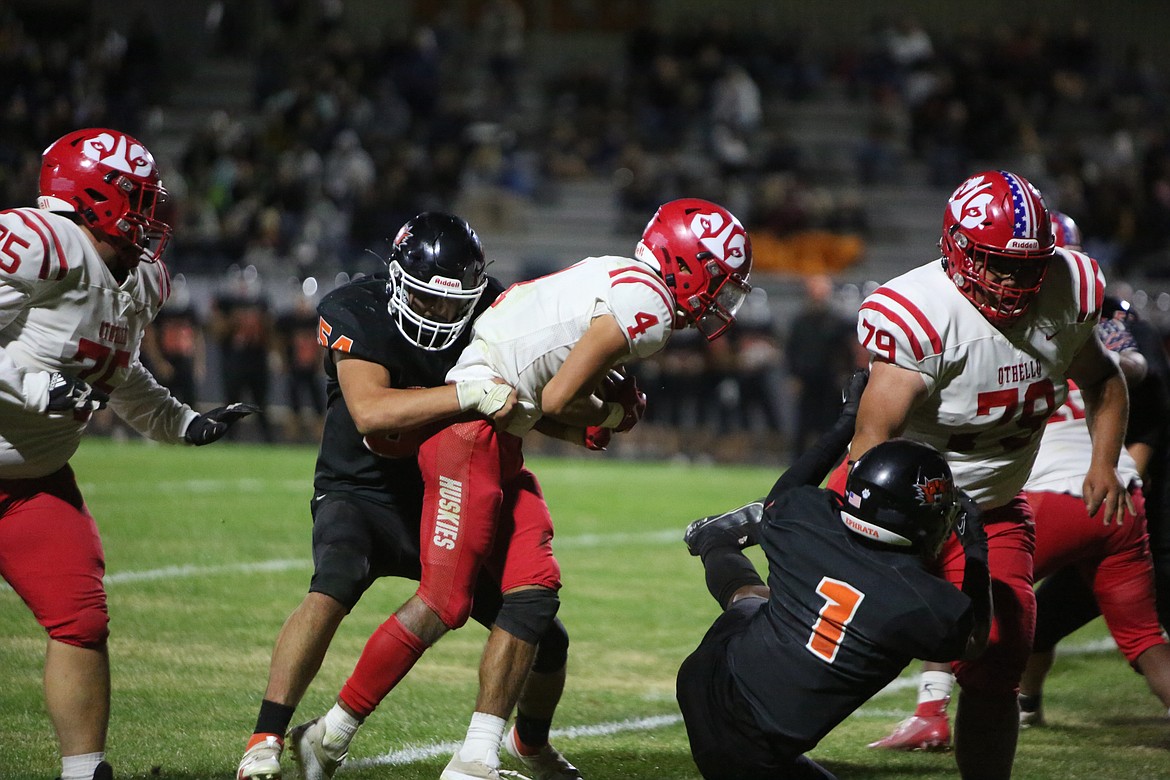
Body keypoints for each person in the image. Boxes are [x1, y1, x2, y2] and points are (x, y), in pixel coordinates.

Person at [288, 198, 753, 780]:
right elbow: (558, 397)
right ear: (689, 266)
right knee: (444, 602)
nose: (720, 299)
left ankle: (478, 756)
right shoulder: (651, 309)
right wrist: (611, 417)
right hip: (468, 434)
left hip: (496, 435)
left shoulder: (622, 275)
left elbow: (537, 385)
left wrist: (593, 413)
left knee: (534, 590)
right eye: (719, 282)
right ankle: (329, 736)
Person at [235, 212, 570, 780]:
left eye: (452, 303)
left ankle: (530, 746)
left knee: (542, 634)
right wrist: (466, 393)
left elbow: (527, 393)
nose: (440, 314)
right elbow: (372, 412)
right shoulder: (356, 309)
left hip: (444, 492)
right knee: (332, 587)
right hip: (358, 488)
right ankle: (265, 738)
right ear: (395, 279)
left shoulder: (495, 307)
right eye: (427, 299)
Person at [841, 171, 1129, 778]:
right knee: (839, 648)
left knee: (1000, 659)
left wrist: (1103, 461)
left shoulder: (1069, 288)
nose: (1012, 281)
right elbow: (870, 441)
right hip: (901, 513)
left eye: (1027, 268)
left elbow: (1104, 378)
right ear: (957, 248)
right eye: (995, 264)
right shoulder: (923, 311)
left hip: (994, 510)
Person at [0, 127, 257, 780]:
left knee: (81, 620)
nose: (149, 216)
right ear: (86, 195)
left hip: (34, 483)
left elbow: (120, 371)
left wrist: (181, 423)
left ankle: (84, 772)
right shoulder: (39, 242)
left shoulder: (138, 276)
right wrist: (36, 386)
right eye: (134, 197)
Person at [677, 370, 991, 780]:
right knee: (757, 610)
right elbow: (974, 641)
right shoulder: (924, 602)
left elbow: (785, 493)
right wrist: (977, 552)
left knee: (751, 603)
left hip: (706, 677)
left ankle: (715, 541)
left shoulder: (806, 523)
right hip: (754, 749)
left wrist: (846, 424)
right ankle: (716, 541)